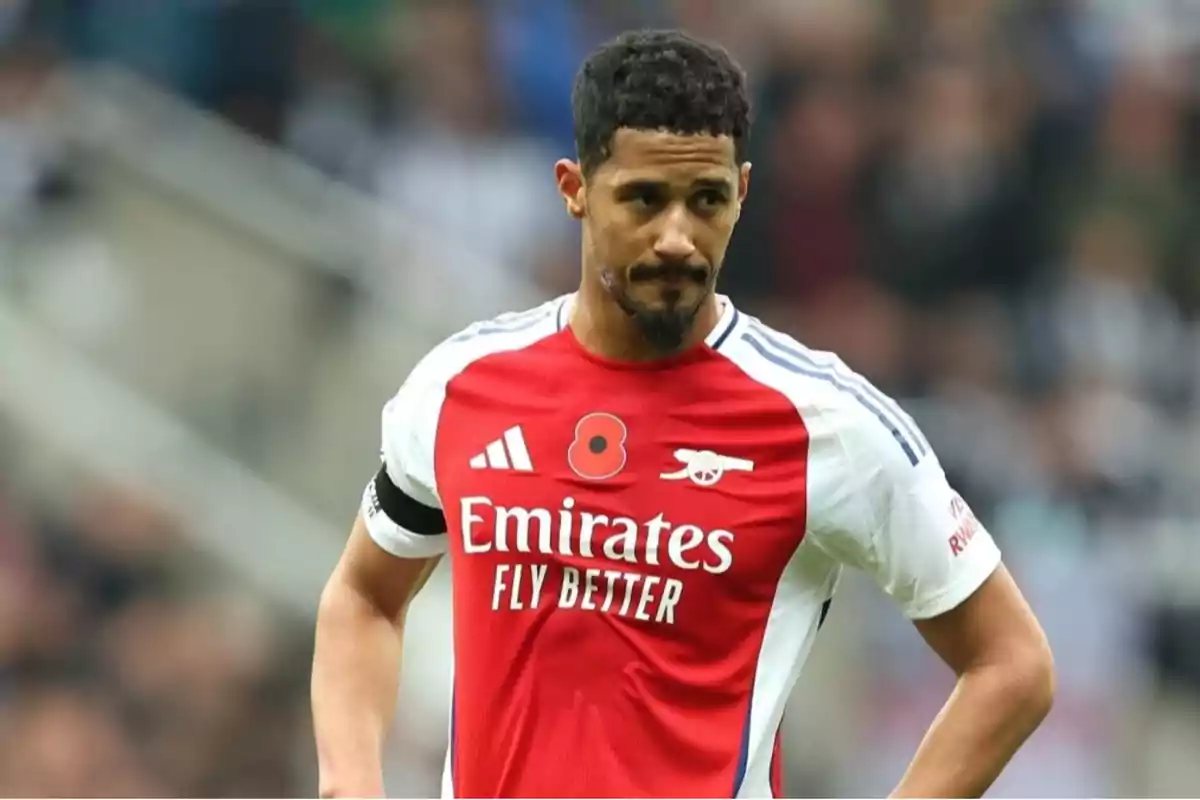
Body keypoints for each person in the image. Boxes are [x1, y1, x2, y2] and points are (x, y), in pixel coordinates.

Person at [312, 29, 1055, 799]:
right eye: (643, 198)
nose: (677, 237)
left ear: (743, 192)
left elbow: (1012, 662)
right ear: (573, 188)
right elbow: (365, 595)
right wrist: (350, 785)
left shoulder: (825, 424)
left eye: (707, 201)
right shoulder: (461, 386)